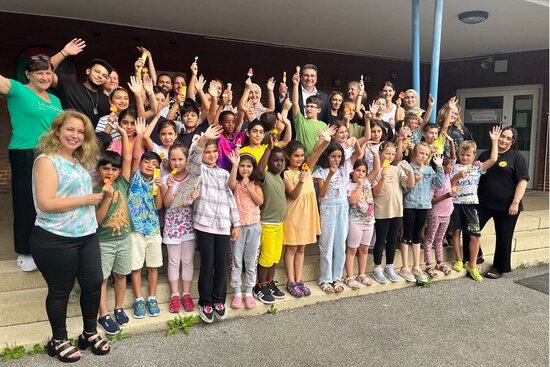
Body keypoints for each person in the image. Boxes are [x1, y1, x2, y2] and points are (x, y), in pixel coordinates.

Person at [30, 110, 109, 362]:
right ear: (57, 131)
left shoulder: (76, 161)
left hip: (86, 235)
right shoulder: (46, 160)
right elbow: (45, 203)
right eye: (70, 129)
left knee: (93, 283)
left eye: (80, 132)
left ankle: (88, 333)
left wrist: (97, 190)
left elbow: (69, 190)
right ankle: (59, 339)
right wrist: (87, 199)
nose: (75, 135)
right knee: (60, 290)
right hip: (56, 237)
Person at [0, 55, 63, 272]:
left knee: (49, 201)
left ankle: (45, 244)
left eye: (48, 72)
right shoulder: (18, 90)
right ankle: (26, 251)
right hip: (26, 152)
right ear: (28, 74)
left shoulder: (55, 100)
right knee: (27, 201)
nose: (45, 76)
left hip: (52, 154)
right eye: (39, 72)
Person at [188, 125, 241, 324]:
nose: (210, 155)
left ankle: (219, 300)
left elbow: (231, 196)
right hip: (204, 224)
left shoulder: (223, 174)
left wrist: (236, 223)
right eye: (207, 152)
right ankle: (205, 301)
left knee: (221, 264)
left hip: (223, 225)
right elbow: (193, 158)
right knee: (207, 264)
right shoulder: (198, 171)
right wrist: (204, 139)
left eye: (213, 152)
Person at [93, 124, 132, 335]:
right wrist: (106, 198)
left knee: (120, 275)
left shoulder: (122, 183)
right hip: (104, 241)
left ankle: (118, 307)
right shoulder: (95, 190)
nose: (110, 172)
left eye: (114, 169)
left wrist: (125, 134)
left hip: (124, 238)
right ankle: (103, 313)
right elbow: (97, 221)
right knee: (102, 278)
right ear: (98, 169)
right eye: (105, 168)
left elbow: (126, 158)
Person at [283, 130, 332, 297]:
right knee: (291, 248)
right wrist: (301, 181)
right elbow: (294, 194)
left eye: (302, 155)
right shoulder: (286, 174)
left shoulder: (307, 167)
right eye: (296, 155)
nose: (300, 158)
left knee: (301, 248)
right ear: (288, 156)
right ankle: (290, 281)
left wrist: (326, 140)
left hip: (307, 214)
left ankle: (299, 279)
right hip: (294, 214)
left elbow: (317, 153)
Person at [449, 126, 501, 281]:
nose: (465, 158)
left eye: (468, 155)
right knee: (456, 232)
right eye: (462, 155)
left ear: (474, 155)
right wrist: (456, 176)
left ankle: (472, 265)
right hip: (456, 204)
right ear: (459, 154)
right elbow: (449, 184)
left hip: (471, 205)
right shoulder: (454, 167)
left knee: (475, 235)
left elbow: (493, 160)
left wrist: (495, 141)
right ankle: (459, 260)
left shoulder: (477, 168)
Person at [477, 127, 529, 279]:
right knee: (471, 229)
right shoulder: (486, 154)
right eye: (502, 136)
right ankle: (476, 255)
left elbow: (522, 181)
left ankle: (499, 267)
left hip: (507, 206)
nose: (503, 140)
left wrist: (516, 201)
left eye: (508, 138)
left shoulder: (517, 157)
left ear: (512, 142)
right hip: (484, 203)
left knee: (504, 237)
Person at [128, 119, 164, 318]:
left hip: (153, 230)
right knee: (135, 266)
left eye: (155, 164)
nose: (150, 165)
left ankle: (152, 297)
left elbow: (158, 207)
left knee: (153, 266)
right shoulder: (134, 176)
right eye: (147, 162)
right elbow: (133, 157)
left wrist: (159, 188)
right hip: (135, 229)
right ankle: (139, 299)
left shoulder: (156, 183)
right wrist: (140, 136)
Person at [160, 142, 200, 313]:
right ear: (169, 161)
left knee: (188, 261)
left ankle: (186, 293)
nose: (177, 163)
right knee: (174, 261)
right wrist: (169, 186)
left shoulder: (193, 178)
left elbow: (191, 202)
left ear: (186, 160)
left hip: (188, 226)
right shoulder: (164, 179)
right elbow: (167, 204)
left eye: (180, 159)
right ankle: (174, 295)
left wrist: (195, 197)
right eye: (173, 159)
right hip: (171, 226)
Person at [399, 142, 445, 284]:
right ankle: (405, 267)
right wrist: (414, 178)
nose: (423, 156)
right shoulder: (406, 166)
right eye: (421, 153)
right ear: (414, 153)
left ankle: (416, 267)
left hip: (424, 205)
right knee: (406, 234)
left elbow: (439, 185)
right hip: (410, 205)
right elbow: (404, 189)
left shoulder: (429, 169)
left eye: (426, 154)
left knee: (417, 235)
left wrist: (439, 167)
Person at [371, 142, 415, 284]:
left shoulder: (397, 169)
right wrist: (382, 177)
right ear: (380, 154)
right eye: (386, 153)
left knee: (392, 240)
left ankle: (389, 266)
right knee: (380, 240)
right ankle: (377, 267)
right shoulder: (376, 170)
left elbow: (410, 185)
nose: (389, 156)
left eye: (392, 154)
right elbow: (375, 193)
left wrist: (410, 172)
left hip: (397, 211)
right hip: (382, 211)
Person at [227, 152, 264, 309]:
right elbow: (230, 185)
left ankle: (248, 292)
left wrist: (249, 186)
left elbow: (259, 201)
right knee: (236, 261)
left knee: (250, 261)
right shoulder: (235, 183)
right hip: (238, 227)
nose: (245, 169)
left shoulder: (255, 185)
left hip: (254, 226)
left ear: (253, 168)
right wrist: (235, 165)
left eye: (248, 166)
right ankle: (237, 292)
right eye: (242, 166)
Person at [313, 142, 350, 294]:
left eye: (339, 156)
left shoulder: (342, 170)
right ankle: (325, 278)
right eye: (333, 156)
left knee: (340, 244)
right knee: (326, 245)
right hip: (328, 209)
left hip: (342, 208)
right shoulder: (320, 172)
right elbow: (322, 193)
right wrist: (330, 174)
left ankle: (337, 277)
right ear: (326, 156)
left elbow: (355, 151)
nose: (336, 159)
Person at [253, 138, 287, 304]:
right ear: (269, 162)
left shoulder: (280, 177)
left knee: (274, 257)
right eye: (275, 160)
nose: (279, 163)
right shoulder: (265, 175)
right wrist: (268, 149)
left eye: (281, 161)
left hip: (279, 224)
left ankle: (270, 282)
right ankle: (260, 286)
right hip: (267, 224)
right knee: (265, 258)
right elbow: (259, 170)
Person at [51, 38, 113, 127]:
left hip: (91, 139)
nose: (100, 76)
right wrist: (63, 53)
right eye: (97, 72)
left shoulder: (105, 100)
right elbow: (45, 72)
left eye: (104, 76)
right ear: (88, 71)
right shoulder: (69, 86)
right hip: (68, 136)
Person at [424, 139, 455, 277]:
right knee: (430, 239)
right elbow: (432, 200)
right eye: (449, 165)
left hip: (447, 213)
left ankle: (440, 262)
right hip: (435, 213)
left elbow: (454, 158)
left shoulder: (449, 176)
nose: (451, 167)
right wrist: (447, 196)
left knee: (439, 239)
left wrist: (452, 144)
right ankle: (428, 264)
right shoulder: (434, 179)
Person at [290, 71, 328, 156]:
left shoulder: (324, 126)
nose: (308, 109)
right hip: (301, 161)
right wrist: (296, 85)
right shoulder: (301, 121)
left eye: (312, 106)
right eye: (307, 106)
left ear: (319, 110)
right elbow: (295, 103)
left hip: (317, 163)